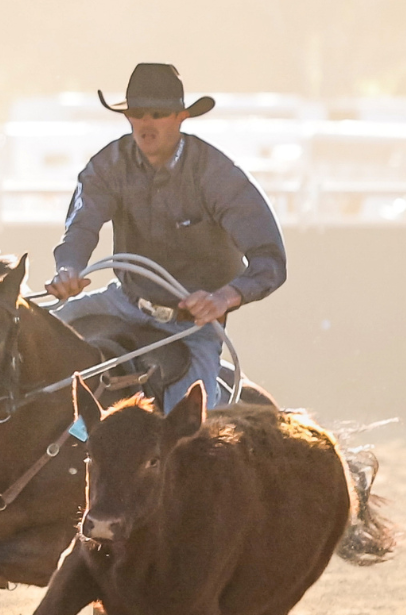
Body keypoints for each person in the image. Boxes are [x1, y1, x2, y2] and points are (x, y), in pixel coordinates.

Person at [45, 62, 287, 409]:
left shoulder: (218, 176)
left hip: (193, 326)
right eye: (137, 113)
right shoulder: (108, 165)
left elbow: (270, 260)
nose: (146, 124)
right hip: (123, 301)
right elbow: (82, 225)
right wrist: (68, 269)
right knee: (29, 340)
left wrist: (223, 298)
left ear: (180, 117)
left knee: (186, 430)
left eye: (158, 113)